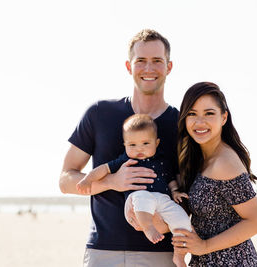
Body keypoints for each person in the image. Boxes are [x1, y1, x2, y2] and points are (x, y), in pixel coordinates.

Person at [59, 29, 180, 267]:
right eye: (140, 61)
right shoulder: (99, 113)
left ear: (169, 66)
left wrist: (165, 223)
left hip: (160, 252)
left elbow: (191, 189)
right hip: (103, 252)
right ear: (128, 66)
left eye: (157, 61)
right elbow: (65, 180)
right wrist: (111, 182)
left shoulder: (181, 122)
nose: (149, 68)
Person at [77, 114, 191, 266]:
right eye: (132, 145)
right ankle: (148, 227)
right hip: (136, 200)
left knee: (181, 217)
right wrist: (87, 179)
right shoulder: (126, 160)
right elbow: (104, 169)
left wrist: (175, 192)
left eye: (145, 143)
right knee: (143, 197)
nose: (139, 149)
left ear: (156, 143)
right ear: (125, 145)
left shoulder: (163, 161)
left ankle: (179, 255)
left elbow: (170, 180)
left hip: (162, 200)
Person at [172, 82, 257, 266]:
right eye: (192, 114)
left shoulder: (225, 162)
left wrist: (205, 246)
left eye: (209, 113)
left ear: (223, 117)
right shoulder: (201, 158)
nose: (200, 122)